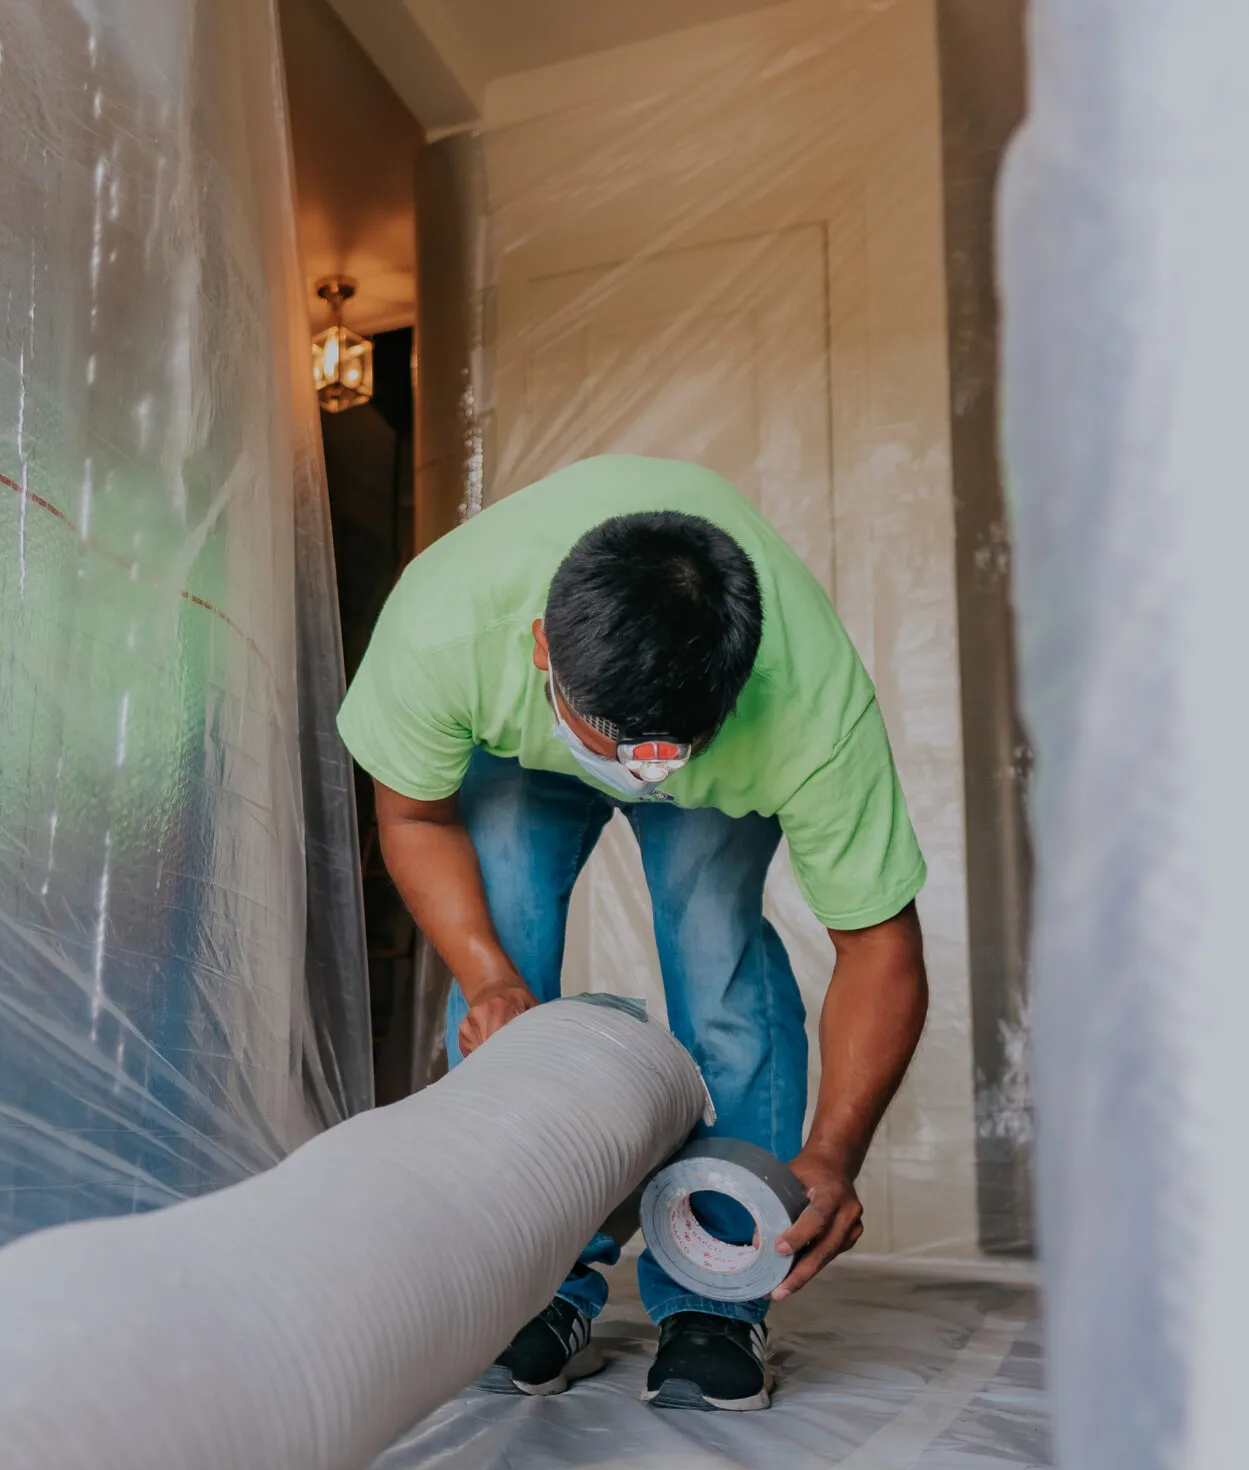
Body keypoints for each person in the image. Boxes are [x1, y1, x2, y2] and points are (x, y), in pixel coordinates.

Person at [334, 455, 929, 1411]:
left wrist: (833, 1153)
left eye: (667, 756)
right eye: (617, 745)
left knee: (717, 953)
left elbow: (880, 946)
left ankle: (716, 1294)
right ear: (542, 648)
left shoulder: (808, 707)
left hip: (713, 736)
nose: (642, 777)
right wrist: (487, 975)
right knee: (505, 941)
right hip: (513, 738)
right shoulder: (444, 630)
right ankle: (530, 1282)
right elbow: (412, 817)